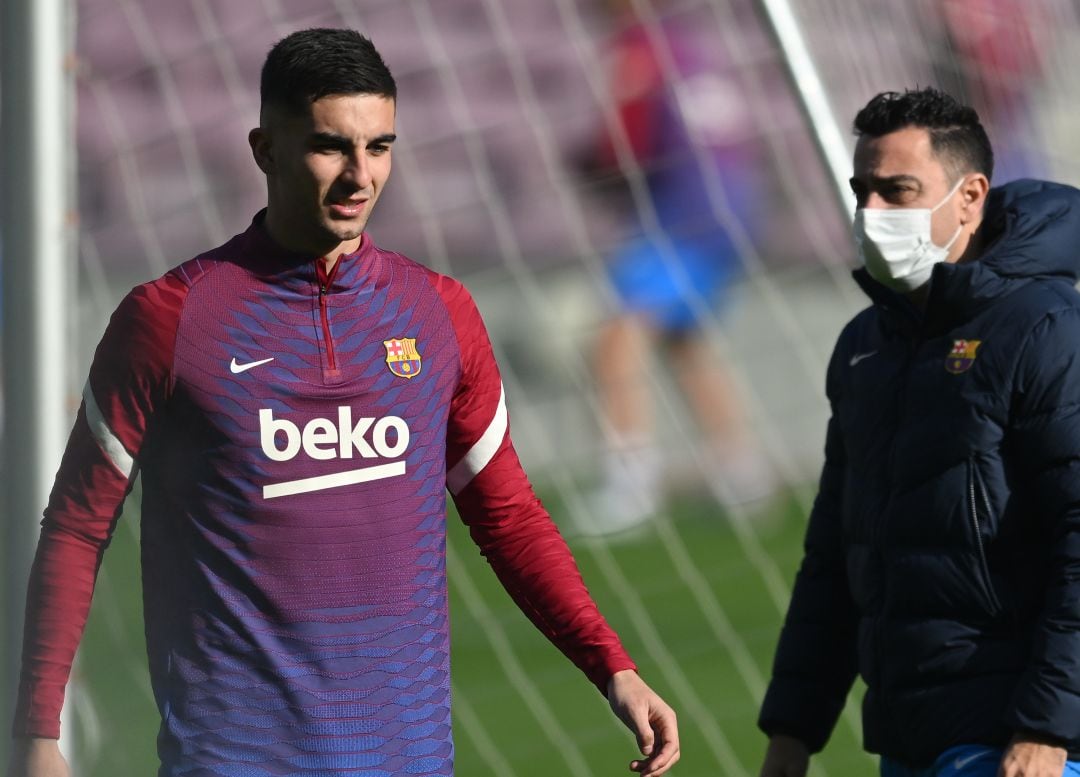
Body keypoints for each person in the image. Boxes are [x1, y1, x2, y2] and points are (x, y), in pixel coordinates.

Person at [6, 28, 679, 777]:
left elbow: (507, 514)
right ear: (264, 149)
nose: (361, 175)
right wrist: (38, 731)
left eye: (380, 146)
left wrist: (612, 665)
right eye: (332, 146)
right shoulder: (169, 318)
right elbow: (75, 525)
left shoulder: (438, 312)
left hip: (409, 760)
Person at [757, 87, 1080, 777]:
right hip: (907, 737)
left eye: (898, 191)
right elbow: (836, 556)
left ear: (970, 197)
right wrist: (793, 731)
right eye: (862, 191)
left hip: (1015, 742)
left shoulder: (1046, 329)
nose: (873, 214)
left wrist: (1047, 730)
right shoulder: (864, 347)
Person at [585, 0, 774, 534]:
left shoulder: (639, 51)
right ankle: (742, 473)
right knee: (685, 339)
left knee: (617, 336)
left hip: (685, 212)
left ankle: (630, 485)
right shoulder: (688, 45)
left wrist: (590, 162)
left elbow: (624, 142)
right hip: (733, 206)